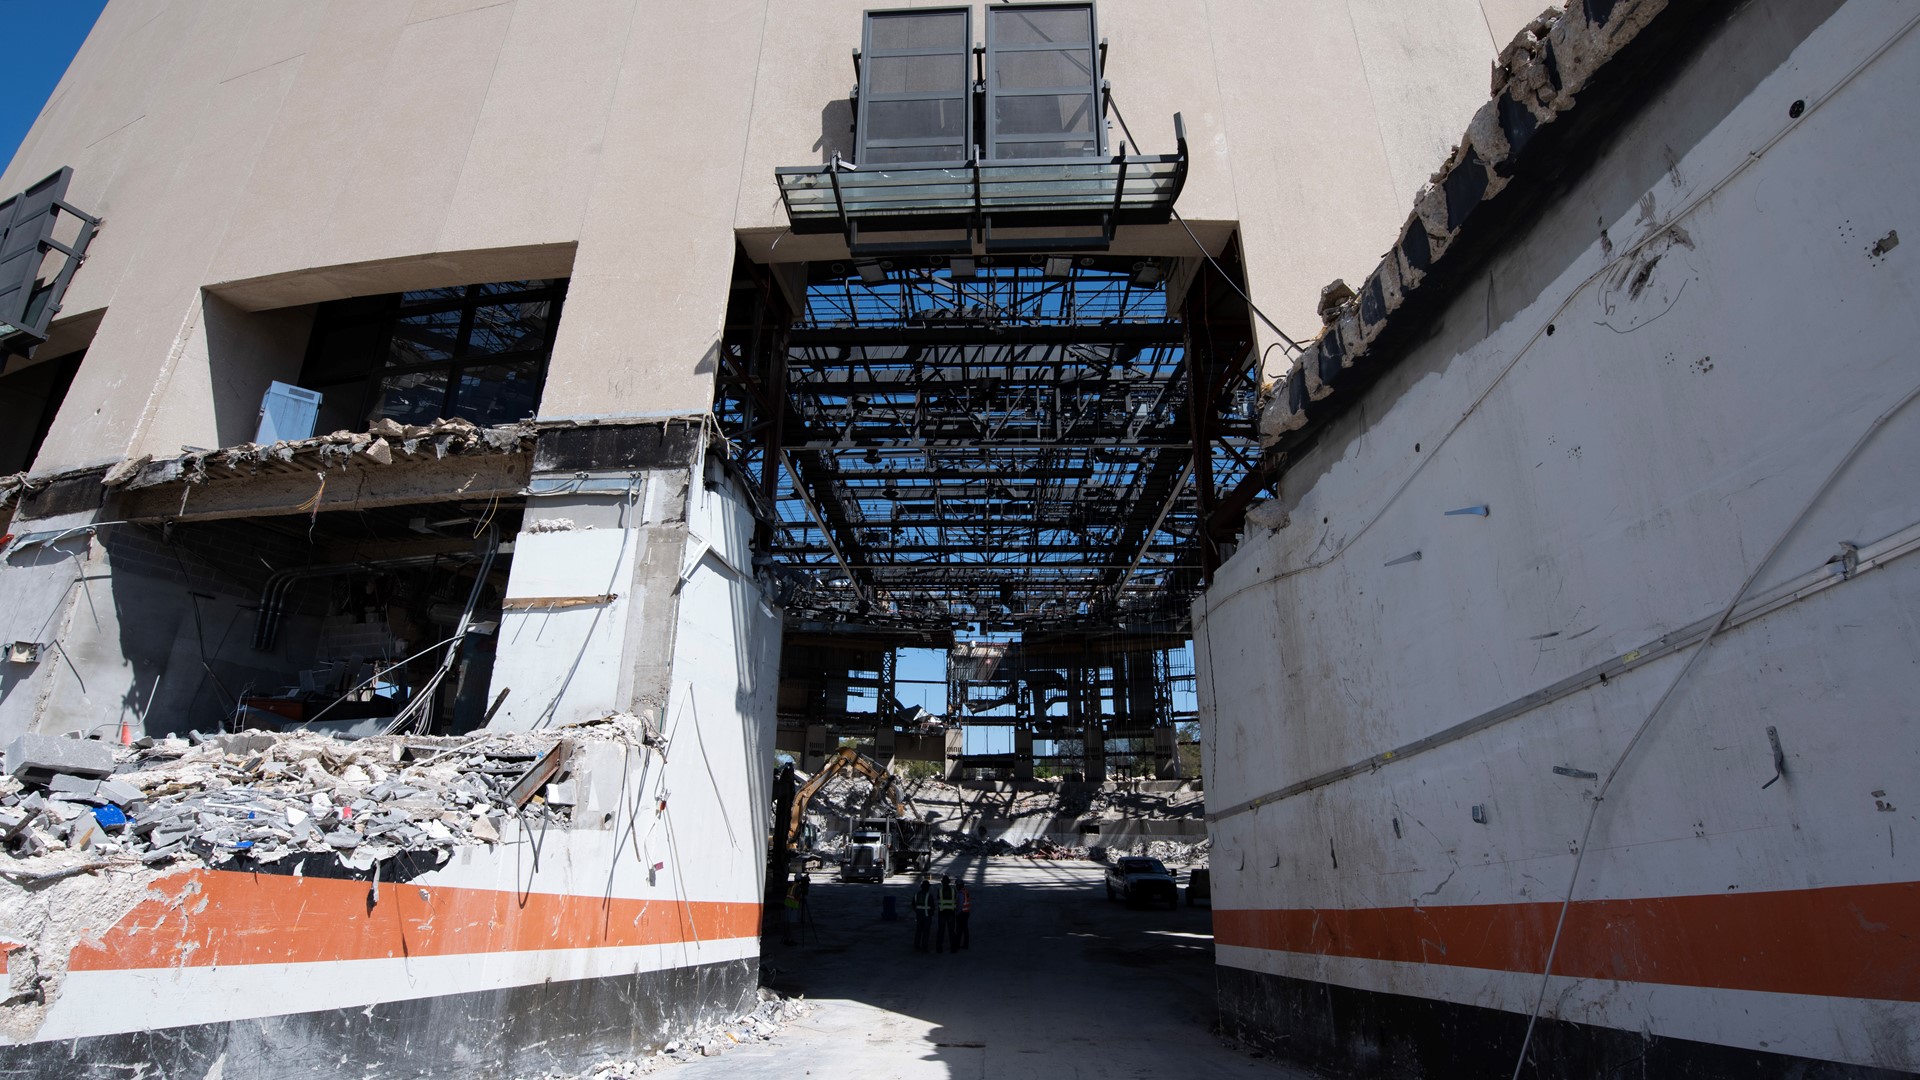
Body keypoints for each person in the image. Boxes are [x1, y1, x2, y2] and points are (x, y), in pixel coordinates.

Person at [934, 874, 957, 953]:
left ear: (942, 882)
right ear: (949, 882)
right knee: (951, 931)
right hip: (951, 912)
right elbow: (955, 899)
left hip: (942, 912)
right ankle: (953, 949)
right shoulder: (953, 890)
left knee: (941, 931)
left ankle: (939, 948)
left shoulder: (940, 890)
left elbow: (938, 898)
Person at [911, 875, 933, 952]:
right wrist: (930, 914)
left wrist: (917, 912)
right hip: (927, 917)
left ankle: (916, 946)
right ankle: (924, 947)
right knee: (926, 932)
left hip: (919, 916)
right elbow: (932, 906)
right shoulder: (929, 895)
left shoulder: (916, 895)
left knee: (918, 931)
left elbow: (913, 905)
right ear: (927, 887)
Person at [954, 880, 971, 951]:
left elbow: (960, 905)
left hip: (962, 913)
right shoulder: (965, 891)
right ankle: (965, 944)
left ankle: (957, 945)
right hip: (966, 912)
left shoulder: (960, 893)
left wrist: (956, 913)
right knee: (965, 929)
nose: (956, 886)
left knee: (959, 930)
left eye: (957, 885)